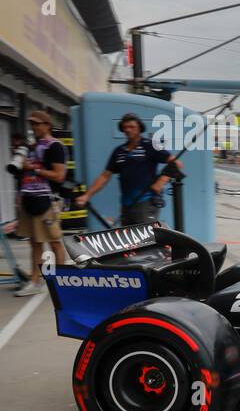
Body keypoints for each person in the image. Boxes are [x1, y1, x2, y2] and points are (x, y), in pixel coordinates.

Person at [77, 112, 181, 226]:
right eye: (125, 127)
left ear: (139, 128)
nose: (128, 130)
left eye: (132, 127)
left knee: (147, 239)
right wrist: (88, 195)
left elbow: (176, 163)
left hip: (146, 202)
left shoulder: (150, 145)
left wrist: (160, 182)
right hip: (126, 205)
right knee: (129, 242)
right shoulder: (119, 151)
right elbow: (104, 176)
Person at [13, 110, 69, 296]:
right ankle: (35, 281)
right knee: (35, 243)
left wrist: (35, 170)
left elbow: (59, 176)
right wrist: (20, 194)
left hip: (47, 200)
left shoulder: (55, 146)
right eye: (32, 124)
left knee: (54, 242)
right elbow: (25, 173)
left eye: (38, 124)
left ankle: (63, 282)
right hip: (29, 198)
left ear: (47, 125)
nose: (34, 127)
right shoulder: (30, 147)